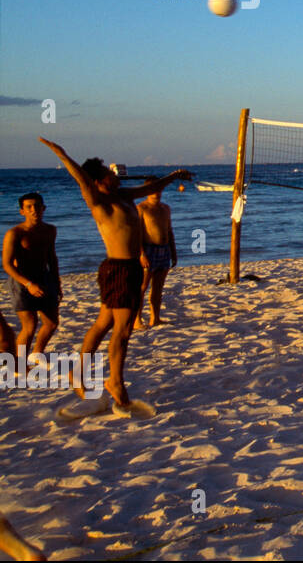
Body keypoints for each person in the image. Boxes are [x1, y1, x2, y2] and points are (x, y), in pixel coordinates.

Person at [37, 138, 190, 409]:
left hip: (128, 268)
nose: (114, 175)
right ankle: (115, 382)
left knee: (104, 324)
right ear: (99, 181)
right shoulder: (98, 201)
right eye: (109, 174)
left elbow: (150, 187)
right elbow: (81, 178)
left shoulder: (124, 196)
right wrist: (61, 153)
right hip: (118, 268)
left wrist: (173, 176)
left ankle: (77, 372)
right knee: (122, 330)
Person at [3, 193, 61, 360]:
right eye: (29, 207)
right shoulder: (15, 233)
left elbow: (52, 257)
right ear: (22, 211)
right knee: (29, 326)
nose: (34, 210)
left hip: (44, 278)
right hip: (22, 281)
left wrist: (56, 283)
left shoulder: (50, 230)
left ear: (44, 208)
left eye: (37, 206)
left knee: (51, 323)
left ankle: (36, 354)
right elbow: (7, 265)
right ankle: (20, 364)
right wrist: (29, 284)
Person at [134, 177, 177, 330]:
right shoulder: (141, 208)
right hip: (148, 249)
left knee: (158, 287)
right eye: (153, 189)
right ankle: (137, 320)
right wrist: (141, 254)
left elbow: (169, 231)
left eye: (159, 189)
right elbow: (136, 233)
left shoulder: (165, 208)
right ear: (146, 191)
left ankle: (155, 318)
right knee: (142, 287)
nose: (157, 192)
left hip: (164, 249)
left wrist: (173, 251)